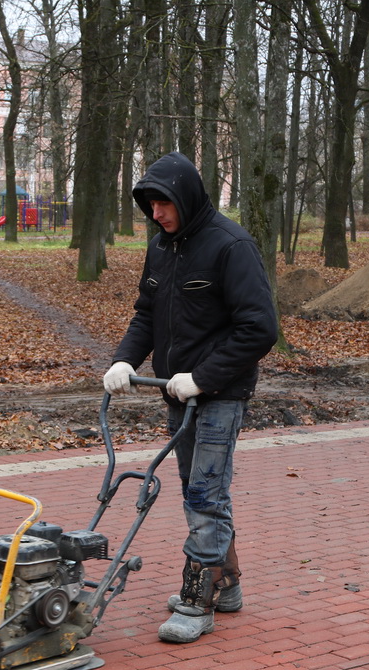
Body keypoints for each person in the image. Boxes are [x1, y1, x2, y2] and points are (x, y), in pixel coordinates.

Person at [104, 151, 279, 643]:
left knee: (205, 494)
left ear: (186, 197)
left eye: (163, 204)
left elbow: (259, 329)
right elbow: (146, 313)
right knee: (198, 490)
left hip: (220, 392)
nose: (156, 214)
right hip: (176, 394)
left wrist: (202, 377)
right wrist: (124, 360)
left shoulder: (231, 246)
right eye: (150, 205)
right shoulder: (162, 247)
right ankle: (228, 585)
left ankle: (198, 600)